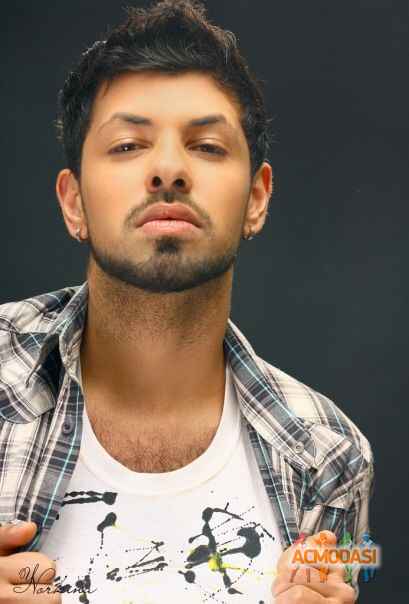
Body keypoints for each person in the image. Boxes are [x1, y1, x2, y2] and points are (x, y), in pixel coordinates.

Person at [0, 0, 373, 602]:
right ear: (74, 203)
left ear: (257, 199)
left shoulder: (332, 458)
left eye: (207, 146)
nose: (169, 169)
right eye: (128, 145)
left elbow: (350, 577)